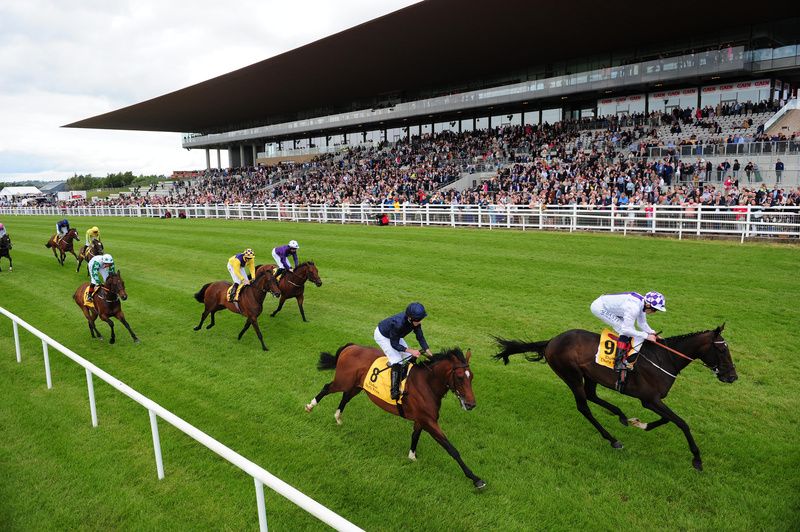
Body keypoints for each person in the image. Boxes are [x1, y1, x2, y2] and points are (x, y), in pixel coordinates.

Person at [590, 291, 666, 390]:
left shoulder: (642, 304)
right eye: (654, 309)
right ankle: (618, 362)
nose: (654, 312)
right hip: (600, 307)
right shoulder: (633, 308)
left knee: (631, 331)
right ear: (648, 305)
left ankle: (623, 357)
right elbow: (626, 330)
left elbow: (641, 323)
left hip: (612, 307)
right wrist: (646, 336)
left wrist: (652, 333)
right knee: (624, 330)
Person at [374, 302, 434, 400]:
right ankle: (394, 391)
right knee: (397, 360)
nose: (420, 322)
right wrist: (410, 350)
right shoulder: (399, 323)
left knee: (409, 357)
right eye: (419, 320)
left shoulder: (414, 321)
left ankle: (403, 375)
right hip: (383, 336)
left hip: (395, 336)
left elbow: (420, 337)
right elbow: (394, 344)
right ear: (411, 318)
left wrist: (429, 352)